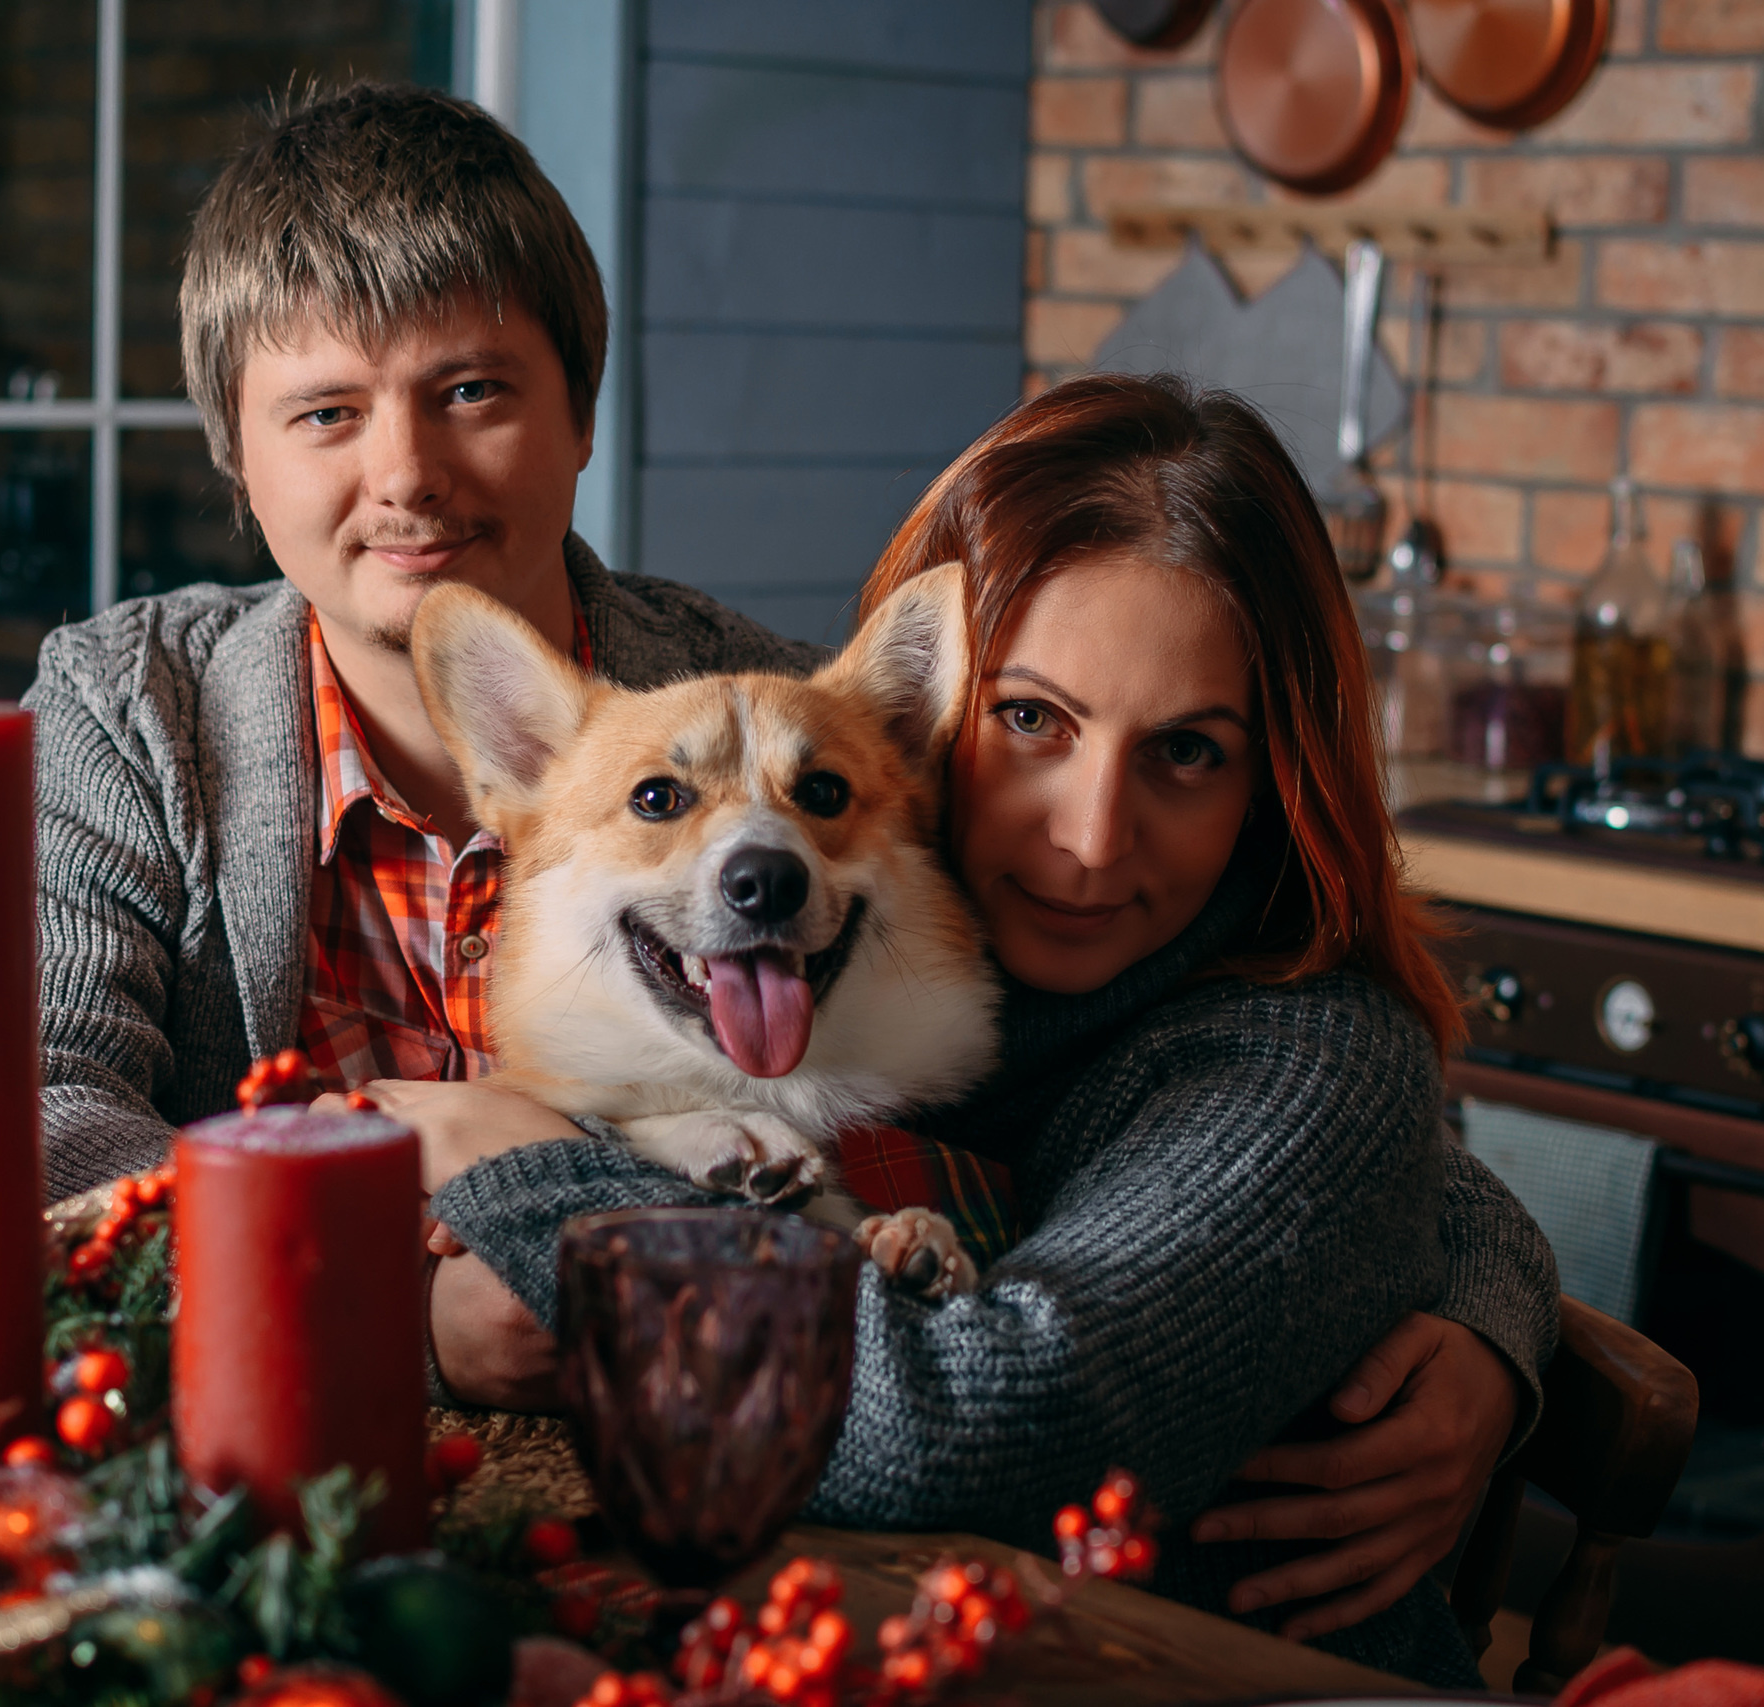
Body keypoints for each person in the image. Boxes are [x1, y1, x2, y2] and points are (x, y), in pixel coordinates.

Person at [27, 81, 1548, 1658]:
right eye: (326, 413)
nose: (406, 473)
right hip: (314, 1555)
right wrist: (398, 1324)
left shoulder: (781, 729)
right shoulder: (135, 716)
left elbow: (1301, 1099)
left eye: (473, 390)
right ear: (236, 447)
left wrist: (1490, 1312)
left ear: (580, 416)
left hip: (830, 1589)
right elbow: (50, 1124)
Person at [345, 374, 1555, 1684]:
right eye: (1031, 720)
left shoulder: (1304, 1060)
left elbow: (972, 1437)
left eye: (1188, 752)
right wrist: (1495, 1276)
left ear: (1277, 779)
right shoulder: (926, 966)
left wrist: (530, 1174)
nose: (1091, 837)